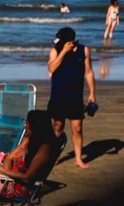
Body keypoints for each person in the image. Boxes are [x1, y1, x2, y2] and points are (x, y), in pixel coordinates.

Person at [47, 27, 96, 169]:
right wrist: (63, 52)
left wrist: (92, 93)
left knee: (77, 128)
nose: (58, 43)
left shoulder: (84, 50)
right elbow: (51, 69)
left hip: (75, 97)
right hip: (58, 96)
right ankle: (55, 155)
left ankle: (78, 159)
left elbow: (89, 72)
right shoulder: (55, 51)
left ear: (70, 41)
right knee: (58, 127)